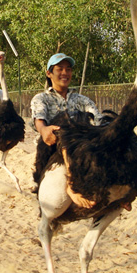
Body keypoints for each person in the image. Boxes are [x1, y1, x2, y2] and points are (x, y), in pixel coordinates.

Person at [30, 52, 102, 207]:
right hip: (52, 147)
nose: (65, 73)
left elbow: (98, 120)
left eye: (68, 69)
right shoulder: (41, 99)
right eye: (60, 69)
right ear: (49, 73)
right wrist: (44, 130)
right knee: (65, 122)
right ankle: (72, 186)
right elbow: (39, 120)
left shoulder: (82, 100)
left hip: (80, 147)